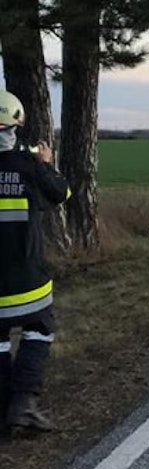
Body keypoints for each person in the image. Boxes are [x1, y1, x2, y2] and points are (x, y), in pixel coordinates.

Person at [0, 90, 71, 434]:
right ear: (15, 126)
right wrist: (44, 163)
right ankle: (23, 405)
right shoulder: (29, 168)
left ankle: (3, 410)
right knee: (39, 331)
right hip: (26, 279)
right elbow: (61, 193)